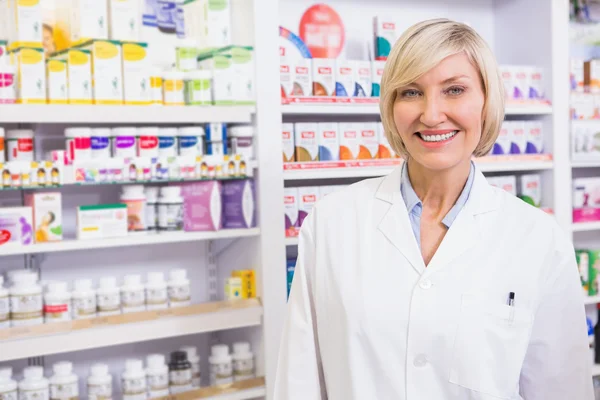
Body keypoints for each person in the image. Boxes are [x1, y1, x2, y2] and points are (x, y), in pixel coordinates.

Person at [275, 19, 593, 399]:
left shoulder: (538, 239)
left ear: (486, 101)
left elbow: (562, 390)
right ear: (391, 106)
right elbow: (298, 382)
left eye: (454, 90)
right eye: (410, 92)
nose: (431, 114)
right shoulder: (331, 223)